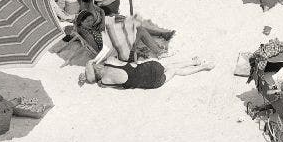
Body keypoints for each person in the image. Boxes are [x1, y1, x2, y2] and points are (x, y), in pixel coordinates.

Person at [83, 56, 214, 88]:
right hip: (151, 68)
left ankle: (199, 66)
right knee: (170, 66)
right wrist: (92, 62)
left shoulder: (105, 82)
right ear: (97, 67)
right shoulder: (111, 61)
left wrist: (89, 75)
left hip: (152, 83)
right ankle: (197, 64)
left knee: (173, 71)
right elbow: (131, 63)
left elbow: (94, 80)